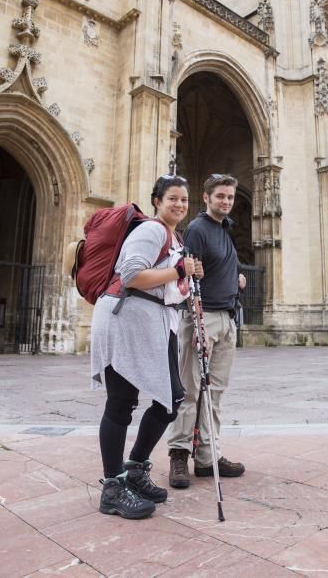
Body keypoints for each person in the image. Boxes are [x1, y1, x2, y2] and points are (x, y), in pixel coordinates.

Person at [91, 175, 203, 520]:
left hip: (155, 323)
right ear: (157, 201)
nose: (179, 205)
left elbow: (169, 289)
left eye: (184, 199)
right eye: (173, 198)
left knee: (171, 399)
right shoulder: (151, 231)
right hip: (125, 321)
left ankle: (135, 468)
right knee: (122, 402)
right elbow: (131, 276)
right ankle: (112, 487)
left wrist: (185, 282)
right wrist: (181, 269)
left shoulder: (174, 238)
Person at [168, 173, 246, 488]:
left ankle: (207, 457)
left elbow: (217, 268)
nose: (225, 201)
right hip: (203, 317)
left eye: (229, 197)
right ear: (206, 198)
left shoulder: (225, 231)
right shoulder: (199, 229)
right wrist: (196, 320)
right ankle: (178, 455)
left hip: (227, 318)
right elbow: (188, 279)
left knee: (214, 393)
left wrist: (238, 277)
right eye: (220, 196)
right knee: (190, 390)